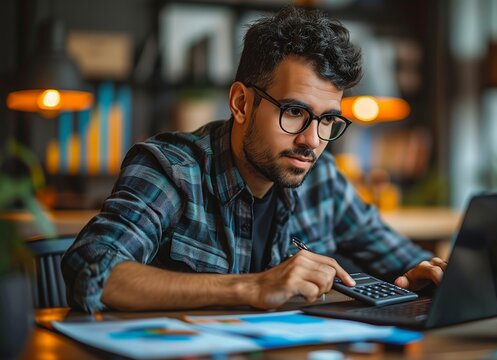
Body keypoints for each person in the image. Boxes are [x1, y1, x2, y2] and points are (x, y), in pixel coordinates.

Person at [61, 6, 447, 313]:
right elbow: (94, 271)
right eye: (294, 112)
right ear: (242, 103)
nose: (311, 140)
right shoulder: (171, 168)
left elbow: (407, 260)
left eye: (328, 119)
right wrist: (254, 286)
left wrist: (419, 277)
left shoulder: (323, 178)